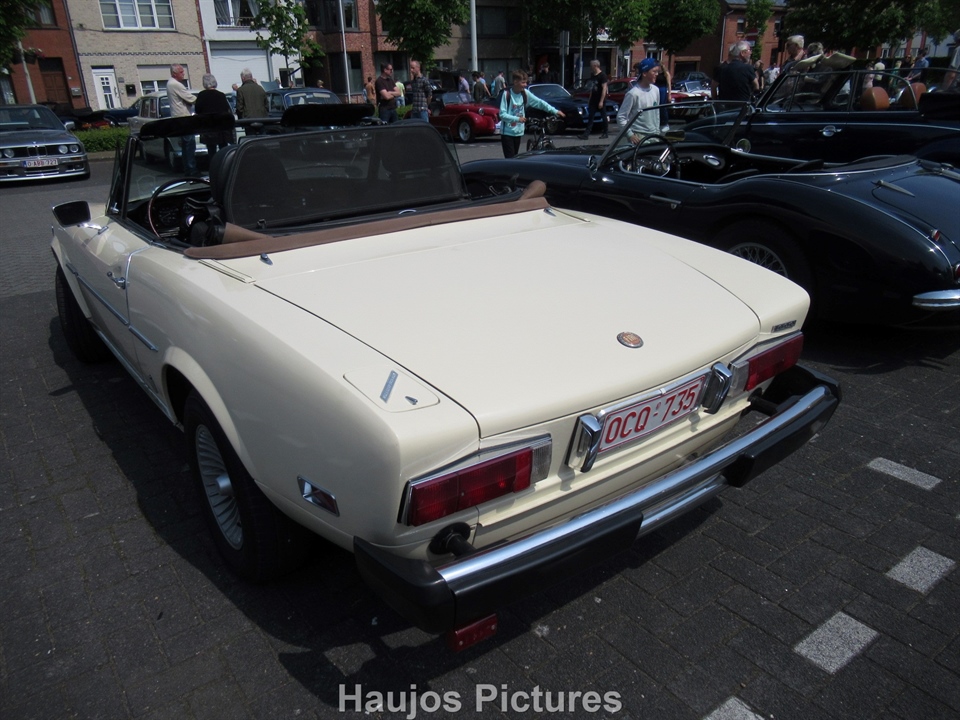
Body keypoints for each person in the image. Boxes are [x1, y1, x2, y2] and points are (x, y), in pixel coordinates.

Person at [498, 69, 565, 158]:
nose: (525, 85)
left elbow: (539, 103)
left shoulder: (525, 93)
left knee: (515, 158)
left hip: (518, 132)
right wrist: (518, 119)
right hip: (507, 133)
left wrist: (555, 111)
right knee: (510, 159)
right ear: (515, 82)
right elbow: (502, 114)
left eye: (526, 82)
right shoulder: (507, 94)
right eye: (523, 82)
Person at [617, 58, 662, 141]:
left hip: (654, 135)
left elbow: (656, 113)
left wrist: (657, 131)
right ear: (644, 73)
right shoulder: (633, 94)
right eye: (654, 71)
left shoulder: (656, 90)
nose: (657, 74)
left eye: (657, 72)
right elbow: (621, 117)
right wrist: (630, 135)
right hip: (639, 136)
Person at [166, 64, 197, 175]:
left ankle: (188, 169)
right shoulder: (176, 84)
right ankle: (191, 169)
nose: (183, 74)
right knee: (189, 144)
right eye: (181, 72)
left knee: (185, 145)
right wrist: (203, 100)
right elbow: (191, 98)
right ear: (174, 73)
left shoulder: (170, 83)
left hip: (178, 117)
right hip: (183, 117)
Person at [194, 73, 233, 156]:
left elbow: (198, 110)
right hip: (221, 126)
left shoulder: (201, 95)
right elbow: (226, 109)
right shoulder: (221, 95)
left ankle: (213, 163)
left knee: (211, 151)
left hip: (209, 127)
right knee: (223, 149)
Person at [579, 59, 609, 140]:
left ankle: (605, 132)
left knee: (603, 116)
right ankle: (586, 134)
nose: (590, 67)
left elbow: (604, 89)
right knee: (591, 116)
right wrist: (590, 99)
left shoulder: (602, 76)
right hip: (593, 99)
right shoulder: (593, 75)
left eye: (591, 66)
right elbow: (592, 89)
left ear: (595, 66)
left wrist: (601, 101)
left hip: (600, 99)